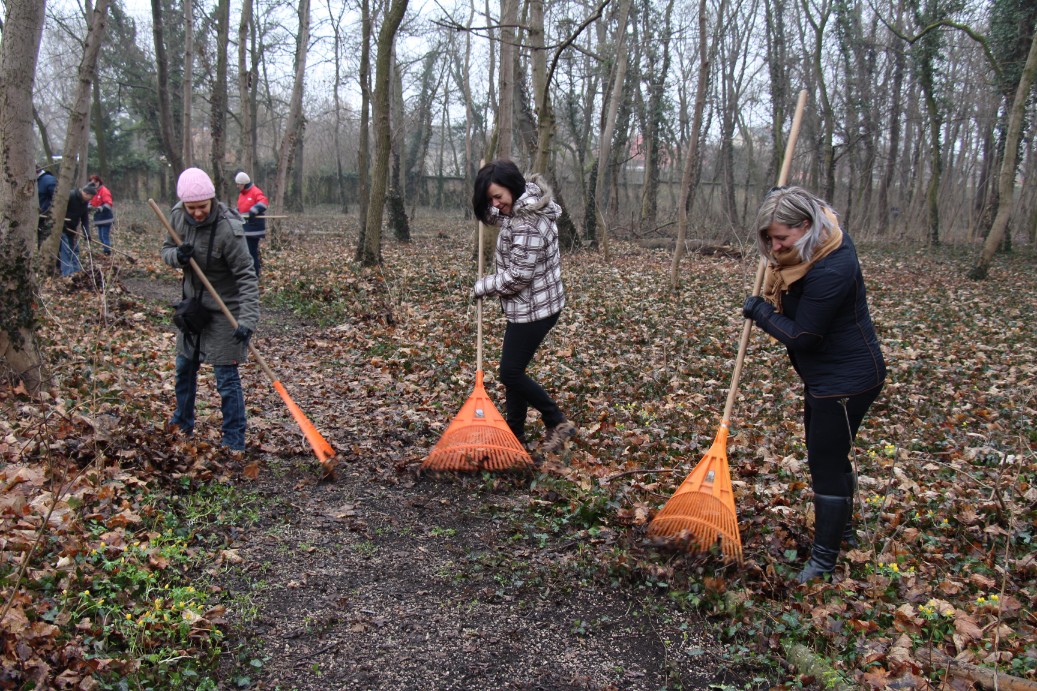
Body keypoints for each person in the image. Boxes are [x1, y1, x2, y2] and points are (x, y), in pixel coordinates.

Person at [741, 186, 886, 583]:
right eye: (770, 238)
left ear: (806, 226)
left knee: (825, 462)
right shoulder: (819, 233)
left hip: (846, 380)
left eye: (781, 238)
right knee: (832, 456)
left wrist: (761, 312)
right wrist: (778, 197)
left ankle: (823, 561)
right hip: (828, 376)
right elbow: (806, 203)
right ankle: (844, 532)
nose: (775, 247)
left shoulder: (831, 267)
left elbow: (804, 336)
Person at [471, 159, 576, 453]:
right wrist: (485, 203)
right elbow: (503, 217)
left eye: (497, 197)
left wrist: (483, 286)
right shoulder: (521, 205)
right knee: (515, 371)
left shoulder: (528, 223)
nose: (495, 204)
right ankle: (515, 434)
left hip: (534, 310)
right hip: (532, 305)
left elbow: (518, 276)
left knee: (510, 373)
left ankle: (557, 421)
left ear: (512, 188)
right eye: (490, 199)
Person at [161, 167, 260, 452]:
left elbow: (246, 275)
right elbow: (166, 250)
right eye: (191, 207)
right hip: (192, 308)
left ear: (212, 200)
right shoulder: (177, 216)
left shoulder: (229, 229)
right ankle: (182, 424)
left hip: (226, 310)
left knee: (226, 378)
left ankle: (233, 441)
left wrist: (248, 320)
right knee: (184, 368)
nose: (197, 213)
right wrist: (178, 257)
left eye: (202, 207)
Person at [60, 182, 98, 276]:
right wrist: (62, 224)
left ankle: (76, 272)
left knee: (75, 249)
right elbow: (59, 210)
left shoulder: (84, 203)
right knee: (66, 250)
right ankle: (67, 273)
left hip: (72, 229)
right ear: (85, 193)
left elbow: (85, 219)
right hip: (63, 228)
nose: (91, 199)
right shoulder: (71, 196)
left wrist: (86, 233)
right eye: (91, 197)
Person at [234, 171, 268, 277]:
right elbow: (242, 208)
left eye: (238, 184)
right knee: (246, 254)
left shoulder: (255, 191)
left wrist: (255, 209)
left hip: (254, 230)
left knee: (251, 253)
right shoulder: (241, 194)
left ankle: (254, 275)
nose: (237, 186)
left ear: (244, 183)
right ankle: (248, 274)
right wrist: (236, 212)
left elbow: (264, 202)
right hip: (245, 229)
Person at [88, 174, 115, 255]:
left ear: (99, 182)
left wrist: (100, 208)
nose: (94, 184)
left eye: (96, 182)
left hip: (106, 218)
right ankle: (106, 250)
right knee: (100, 237)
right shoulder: (93, 191)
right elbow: (91, 201)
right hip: (98, 218)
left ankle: (107, 252)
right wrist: (89, 206)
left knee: (104, 236)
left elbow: (109, 204)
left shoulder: (104, 191)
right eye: (92, 182)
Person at [36, 165, 57, 249]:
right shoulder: (38, 180)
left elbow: (56, 200)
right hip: (39, 218)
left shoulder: (49, 181)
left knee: (45, 245)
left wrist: (48, 213)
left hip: (46, 219)